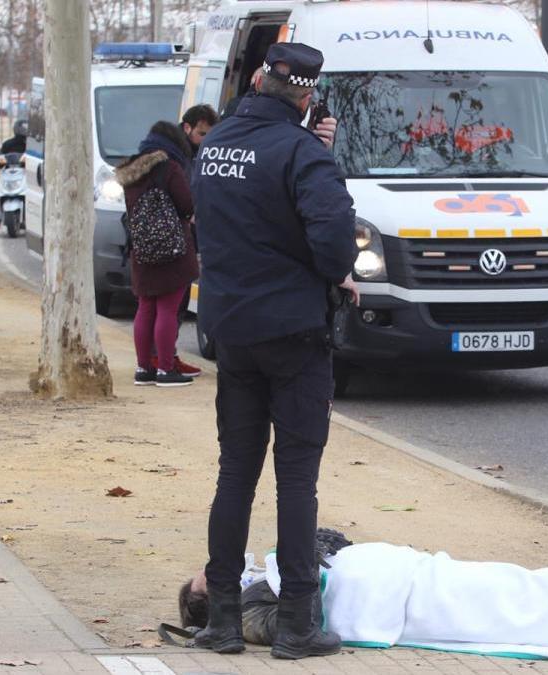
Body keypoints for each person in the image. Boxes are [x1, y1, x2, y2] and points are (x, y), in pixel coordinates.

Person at [188, 42, 359, 660]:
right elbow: (336, 244)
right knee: (296, 478)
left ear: (260, 78)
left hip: (231, 329)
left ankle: (223, 620)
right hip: (293, 332)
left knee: (235, 472)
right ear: (308, 94)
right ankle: (294, 624)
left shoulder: (215, 144)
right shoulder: (303, 153)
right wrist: (319, 152)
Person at [177, 530, 548, 666]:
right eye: (207, 581)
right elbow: (293, 619)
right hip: (421, 602)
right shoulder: (253, 610)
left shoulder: (265, 576)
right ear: (210, 606)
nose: (217, 570)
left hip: (422, 573)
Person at [116, 121, 201, 386]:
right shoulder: (169, 167)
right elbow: (187, 204)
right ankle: (165, 369)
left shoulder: (131, 171)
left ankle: (144, 369)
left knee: (145, 308)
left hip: (141, 250)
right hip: (173, 249)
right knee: (167, 308)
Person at [0, 119, 29, 236]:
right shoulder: (8, 144)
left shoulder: (32, 145)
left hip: (25, 174)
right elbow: (0, 158)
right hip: (9, 173)